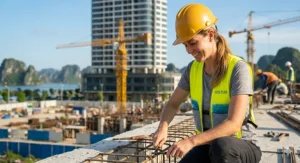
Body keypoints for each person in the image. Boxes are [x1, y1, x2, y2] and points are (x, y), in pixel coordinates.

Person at [152, 3, 261, 163]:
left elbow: (233, 124)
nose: (189, 50)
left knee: (222, 147)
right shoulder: (193, 70)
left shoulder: (238, 69)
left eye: (193, 43)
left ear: (210, 35)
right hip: (207, 145)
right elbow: (173, 104)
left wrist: (191, 141)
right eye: (186, 45)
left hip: (240, 147)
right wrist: (163, 127)